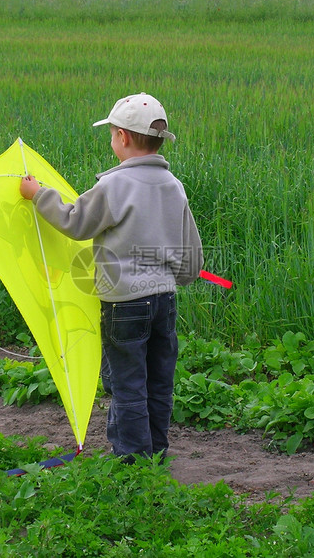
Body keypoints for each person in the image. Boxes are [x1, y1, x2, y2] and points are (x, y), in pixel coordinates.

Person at [20, 93, 203, 462]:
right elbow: (192, 256)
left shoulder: (113, 187)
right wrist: (174, 280)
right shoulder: (175, 187)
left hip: (124, 304)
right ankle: (156, 449)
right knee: (158, 380)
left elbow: (75, 221)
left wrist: (38, 194)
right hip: (164, 302)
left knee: (127, 383)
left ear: (122, 137)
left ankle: (133, 459)